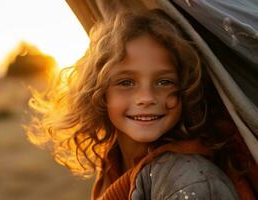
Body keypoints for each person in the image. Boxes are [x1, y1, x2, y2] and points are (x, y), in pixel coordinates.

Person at [27, 9, 255, 199]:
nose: (146, 97)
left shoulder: (186, 179)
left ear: (185, 89)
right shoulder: (113, 165)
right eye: (126, 82)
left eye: (164, 81)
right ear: (99, 93)